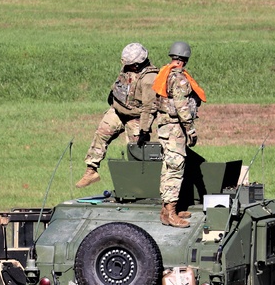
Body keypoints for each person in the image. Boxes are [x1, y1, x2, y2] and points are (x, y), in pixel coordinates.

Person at [75, 43, 160, 189]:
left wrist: (144, 130)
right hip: (118, 111)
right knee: (101, 134)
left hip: (136, 117)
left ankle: (141, 184)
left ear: (138, 64)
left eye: (130, 64)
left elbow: (149, 108)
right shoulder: (128, 68)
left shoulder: (149, 78)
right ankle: (91, 171)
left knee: (137, 151)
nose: (126, 67)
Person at [150, 41, 207, 228]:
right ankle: (172, 213)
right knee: (175, 168)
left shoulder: (164, 73)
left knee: (168, 167)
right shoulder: (179, 79)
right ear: (185, 59)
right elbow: (182, 107)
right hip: (175, 129)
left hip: (166, 127)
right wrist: (190, 129)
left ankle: (166, 210)